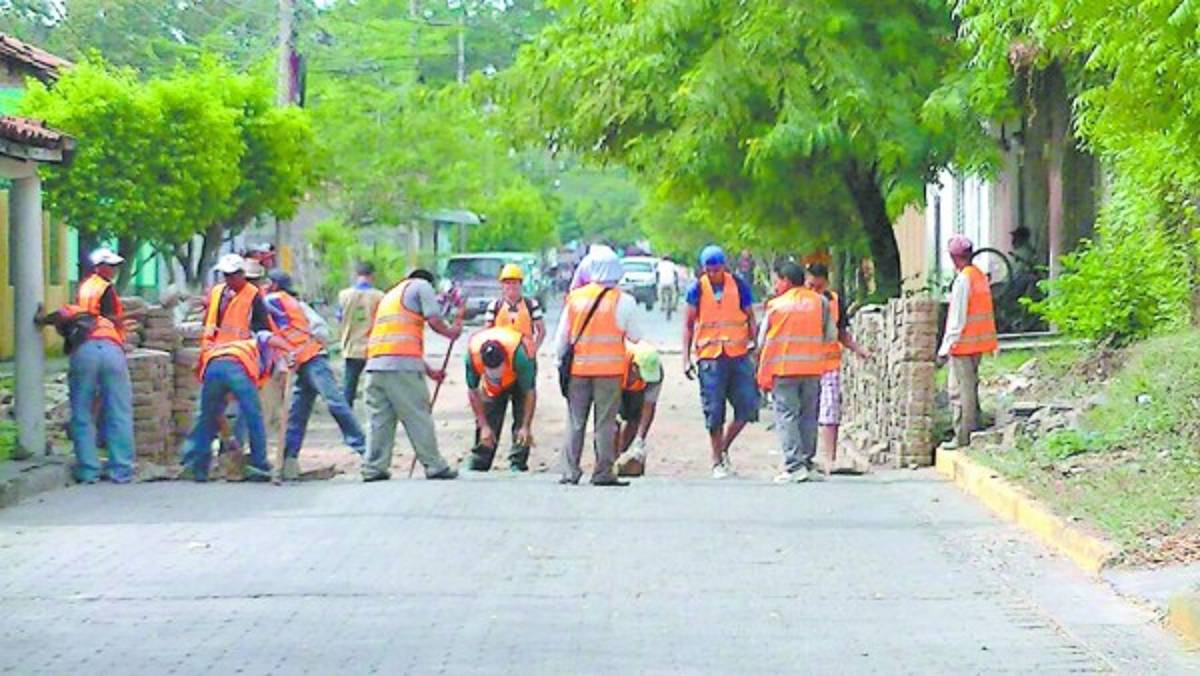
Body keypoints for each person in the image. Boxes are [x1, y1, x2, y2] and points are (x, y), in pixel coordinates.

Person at [182, 254, 291, 482]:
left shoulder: (217, 293)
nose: (229, 279)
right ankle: (259, 464)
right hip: (236, 362)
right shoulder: (252, 296)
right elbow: (264, 332)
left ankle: (198, 467)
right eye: (228, 276)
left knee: (208, 416)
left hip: (213, 362)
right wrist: (285, 351)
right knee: (252, 414)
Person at [36, 248, 135, 483]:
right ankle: (120, 469)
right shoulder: (104, 288)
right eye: (109, 265)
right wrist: (132, 317)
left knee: (82, 411)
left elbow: (56, 315)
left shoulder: (82, 294)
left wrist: (41, 318)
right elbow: (112, 318)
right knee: (118, 410)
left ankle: (89, 470)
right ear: (97, 267)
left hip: (85, 351)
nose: (113, 270)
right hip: (110, 349)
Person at [361, 269, 463, 481]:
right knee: (418, 415)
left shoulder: (391, 296)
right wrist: (450, 332)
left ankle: (374, 467)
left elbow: (398, 341)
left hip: (375, 365)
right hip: (401, 367)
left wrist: (430, 371)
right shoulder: (421, 286)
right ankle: (434, 465)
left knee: (380, 420)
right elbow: (434, 320)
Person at [264, 270, 367, 481]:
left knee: (334, 402)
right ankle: (288, 460)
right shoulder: (288, 304)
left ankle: (365, 449)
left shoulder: (275, 301)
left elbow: (319, 331)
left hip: (311, 358)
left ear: (274, 285)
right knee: (297, 411)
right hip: (301, 362)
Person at [554, 247, 642, 485]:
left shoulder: (575, 299)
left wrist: (559, 365)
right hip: (610, 373)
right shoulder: (624, 300)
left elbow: (562, 340)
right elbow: (635, 336)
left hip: (578, 371)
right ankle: (603, 471)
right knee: (605, 422)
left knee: (575, 421)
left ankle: (570, 471)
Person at [682, 245, 760, 479]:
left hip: (737, 354)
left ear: (724, 266)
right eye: (709, 269)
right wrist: (685, 358)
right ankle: (717, 460)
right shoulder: (696, 289)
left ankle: (724, 446)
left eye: (716, 269)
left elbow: (750, 316)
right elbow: (688, 325)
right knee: (714, 411)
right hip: (710, 357)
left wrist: (754, 343)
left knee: (748, 407)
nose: (713, 273)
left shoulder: (738, 285)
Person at [756, 263, 835, 483]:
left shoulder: (776, 306)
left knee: (787, 416)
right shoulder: (821, 302)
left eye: (777, 281)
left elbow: (762, 341)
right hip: (812, 368)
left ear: (786, 281)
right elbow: (830, 335)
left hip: (784, 370)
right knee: (809, 416)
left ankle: (794, 466)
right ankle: (807, 462)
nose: (776, 285)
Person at [805, 263, 871, 471]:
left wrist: (859, 349)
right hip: (804, 366)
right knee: (806, 412)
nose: (815, 291)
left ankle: (829, 459)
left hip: (829, 364)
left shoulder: (834, 301)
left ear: (826, 283)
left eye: (819, 286)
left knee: (830, 412)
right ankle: (804, 456)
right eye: (811, 286)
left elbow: (842, 332)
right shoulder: (800, 302)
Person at [938, 235, 998, 449]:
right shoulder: (979, 276)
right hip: (978, 343)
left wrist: (946, 347)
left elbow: (957, 318)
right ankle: (974, 428)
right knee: (970, 388)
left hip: (963, 344)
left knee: (959, 391)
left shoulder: (963, 280)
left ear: (955, 258)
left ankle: (963, 436)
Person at [464, 326, 537, 472]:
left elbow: (530, 393)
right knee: (488, 415)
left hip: (518, 377)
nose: (496, 373)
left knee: (521, 416)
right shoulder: (472, 356)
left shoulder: (521, 356)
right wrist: (483, 425)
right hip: (493, 388)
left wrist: (525, 426)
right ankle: (480, 460)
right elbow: (473, 392)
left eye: (498, 368)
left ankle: (518, 462)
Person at [337, 261, 385, 408]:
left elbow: (339, 317)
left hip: (351, 348)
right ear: (373, 276)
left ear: (357, 275)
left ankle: (347, 423)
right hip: (374, 349)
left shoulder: (343, 295)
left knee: (349, 388)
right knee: (376, 388)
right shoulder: (380, 297)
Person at [614, 341, 664, 477]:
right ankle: (608, 463)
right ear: (635, 367)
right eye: (643, 374)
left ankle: (624, 459)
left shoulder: (656, 373)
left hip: (636, 391)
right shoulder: (619, 360)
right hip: (615, 383)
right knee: (612, 427)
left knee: (634, 421)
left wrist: (640, 439)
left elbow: (649, 406)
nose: (646, 379)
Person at [485, 264, 546, 358]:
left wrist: (534, 348)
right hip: (501, 355)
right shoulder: (494, 306)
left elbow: (541, 331)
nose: (511, 286)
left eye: (514, 283)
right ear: (502, 285)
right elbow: (487, 331)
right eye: (508, 283)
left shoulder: (532, 305)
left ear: (520, 284)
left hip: (525, 354)